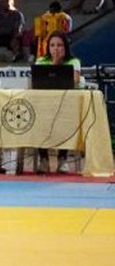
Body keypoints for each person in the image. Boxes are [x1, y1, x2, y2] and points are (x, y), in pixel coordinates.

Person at [33, 32, 82, 174]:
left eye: (59, 45)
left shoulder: (73, 62)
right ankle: (43, 159)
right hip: (45, 105)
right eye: (52, 45)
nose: (56, 48)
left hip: (66, 105)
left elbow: (74, 81)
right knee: (38, 121)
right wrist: (53, 63)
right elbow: (37, 83)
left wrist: (57, 64)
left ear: (65, 47)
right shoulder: (41, 61)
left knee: (64, 121)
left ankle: (63, 159)